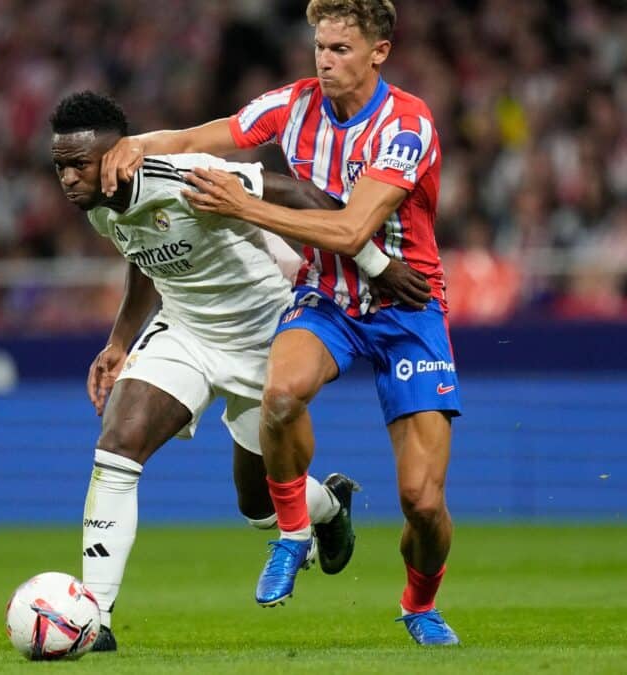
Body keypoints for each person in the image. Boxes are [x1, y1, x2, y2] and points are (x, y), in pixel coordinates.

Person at [99, 0, 462, 646]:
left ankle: (418, 603)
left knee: (423, 504)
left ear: (378, 52)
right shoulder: (291, 106)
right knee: (281, 393)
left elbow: (352, 227)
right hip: (325, 296)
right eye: (320, 47)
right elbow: (189, 141)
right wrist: (132, 145)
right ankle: (294, 533)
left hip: (408, 307)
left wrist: (247, 203)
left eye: (341, 50)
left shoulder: (408, 125)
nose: (325, 61)